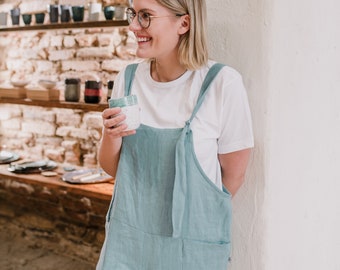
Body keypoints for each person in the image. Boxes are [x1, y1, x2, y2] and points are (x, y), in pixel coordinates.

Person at [97, 0, 254, 269]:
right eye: (133, 14)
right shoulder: (129, 78)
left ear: (184, 23)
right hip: (129, 241)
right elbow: (113, 168)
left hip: (190, 247)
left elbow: (233, 176)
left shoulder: (221, 83)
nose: (134, 26)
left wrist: (197, 223)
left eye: (146, 16)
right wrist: (111, 136)